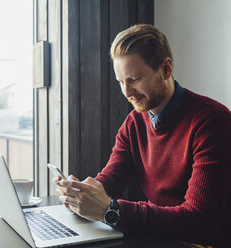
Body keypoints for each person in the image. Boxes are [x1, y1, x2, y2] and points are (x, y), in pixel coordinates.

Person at [54, 24, 231, 246]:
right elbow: (110, 180)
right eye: (121, 82)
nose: (127, 92)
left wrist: (112, 211)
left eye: (135, 79)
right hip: (159, 237)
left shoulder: (213, 122)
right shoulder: (135, 123)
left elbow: (198, 219)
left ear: (166, 69)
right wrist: (81, 194)